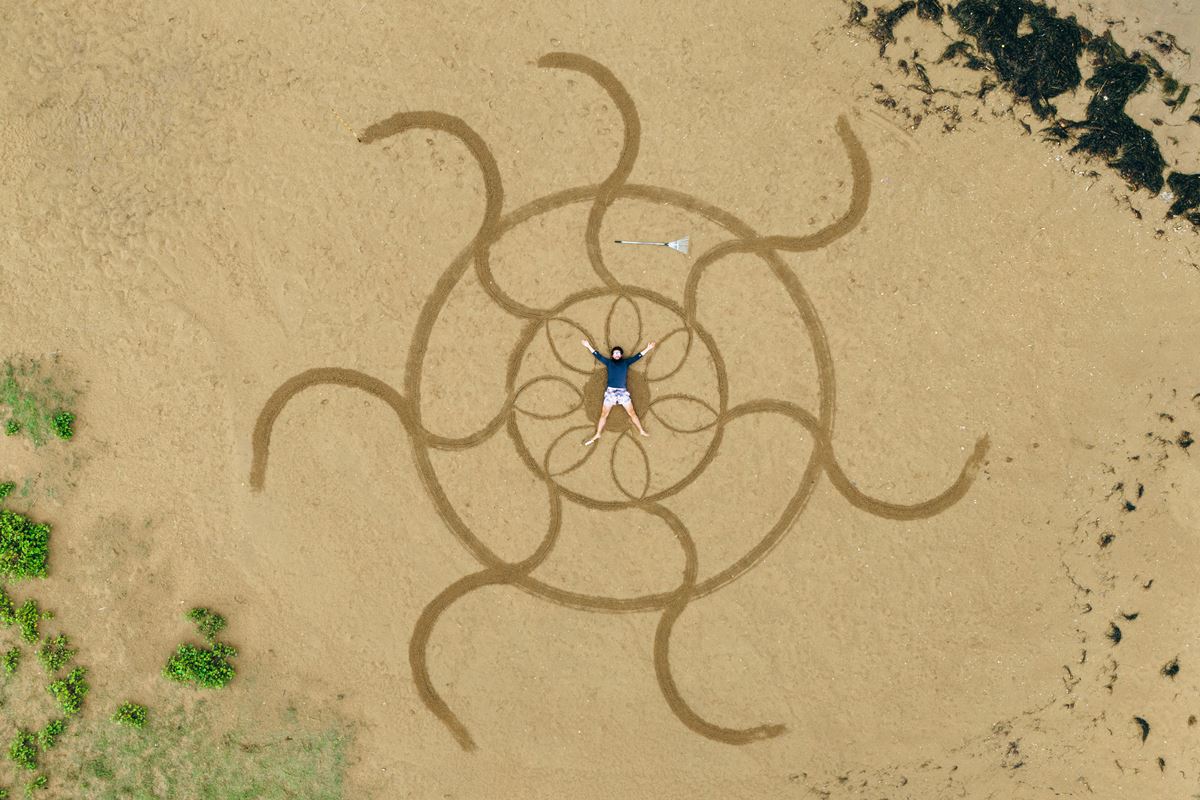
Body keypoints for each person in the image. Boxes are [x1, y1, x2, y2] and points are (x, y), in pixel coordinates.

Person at [580, 338, 655, 446]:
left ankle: (641, 430)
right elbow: (598, 356)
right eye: (615, 353)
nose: (616, 354)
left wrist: (648, 348)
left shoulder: (626, 362)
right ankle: (598, 434)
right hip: (610, 393)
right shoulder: (609, 362)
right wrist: (588, 346)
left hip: (623, 393)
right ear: (612, 356)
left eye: (618, 353)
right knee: (603, 414)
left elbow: (637, 357)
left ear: (621, 355)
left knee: (632, 413)